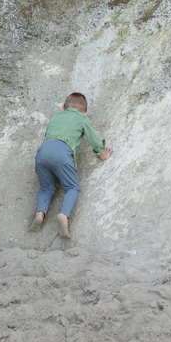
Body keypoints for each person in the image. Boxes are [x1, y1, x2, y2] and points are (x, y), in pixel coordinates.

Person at [32, 93, 110, 239]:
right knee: (72, 187)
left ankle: (39, 214)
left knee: (46, 188)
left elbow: (47, 133)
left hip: (43, 152)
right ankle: (63, 215)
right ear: (85, 112)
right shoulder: (82, 118)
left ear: (63, 108)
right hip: (63, 152)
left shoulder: (56, 116)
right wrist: (100, 152)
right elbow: (93, 137)